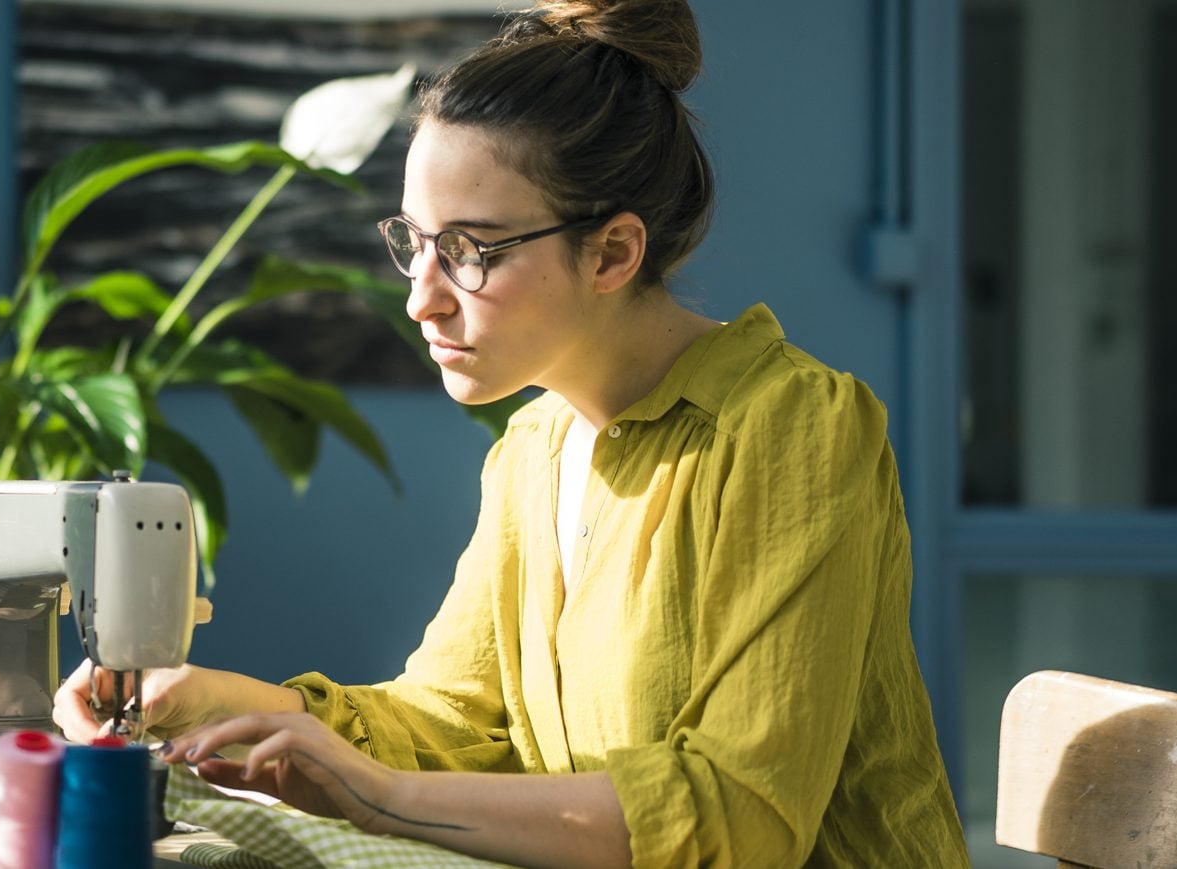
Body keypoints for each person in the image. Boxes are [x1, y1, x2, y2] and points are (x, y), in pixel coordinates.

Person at [56, 1, 969, 865]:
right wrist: (218, 700)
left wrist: (371, 792)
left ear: (612, 252)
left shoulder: (789, 428)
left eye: (469, 250)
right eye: (412, 240)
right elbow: (452, 721)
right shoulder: (533, 449)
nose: (420, 294)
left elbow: (736, 817)